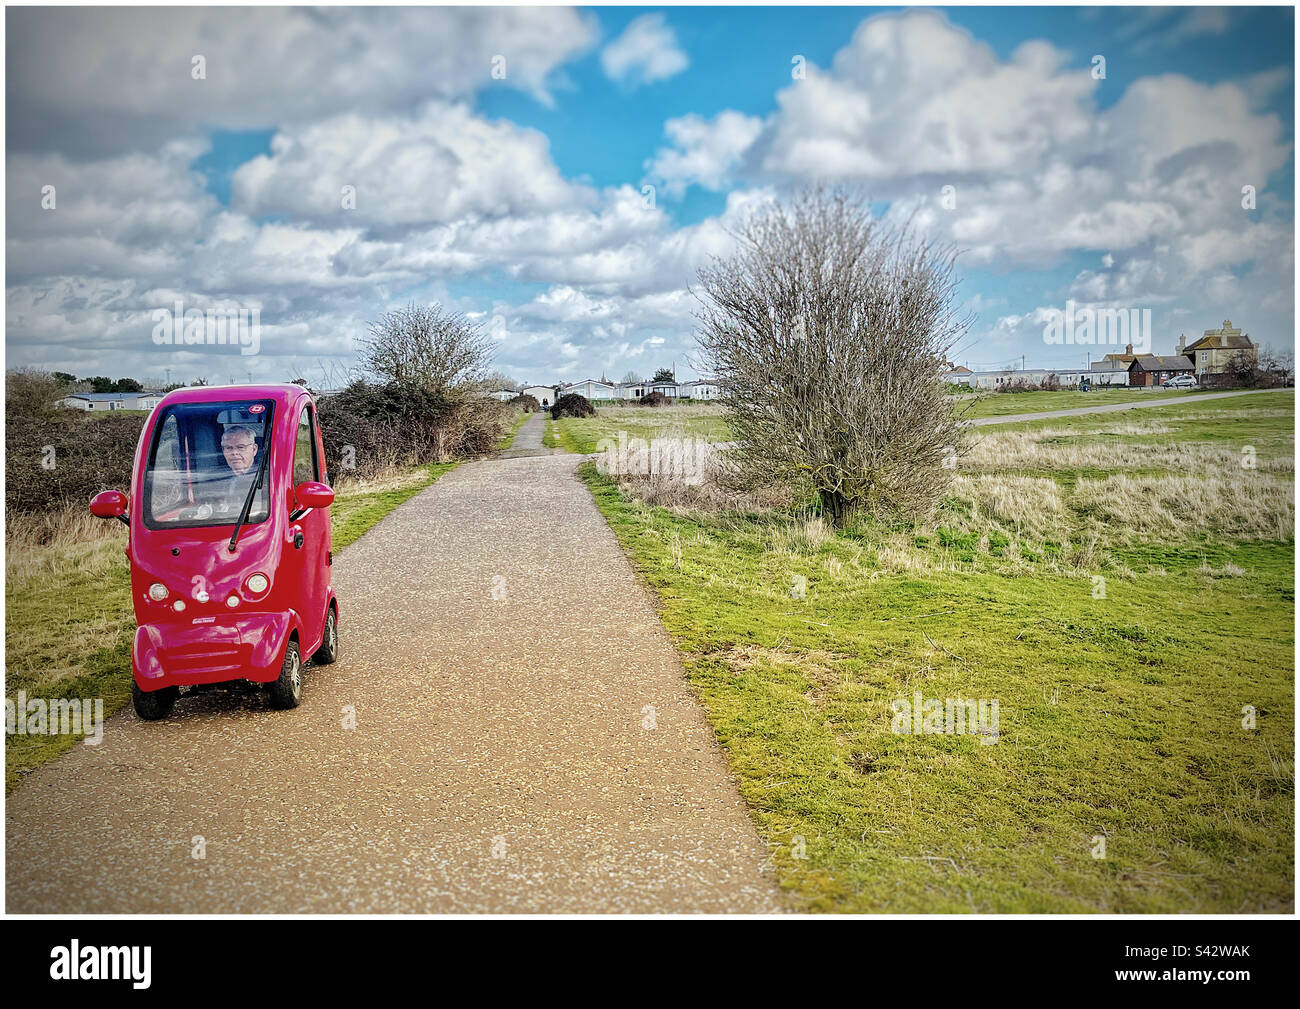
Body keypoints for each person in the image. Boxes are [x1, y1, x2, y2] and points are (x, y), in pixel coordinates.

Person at [211, 425, 266, 518]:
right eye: (229, 448)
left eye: (241, 447)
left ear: (254, 449)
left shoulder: (265, 479)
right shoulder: (214, 480)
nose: (234, 453)